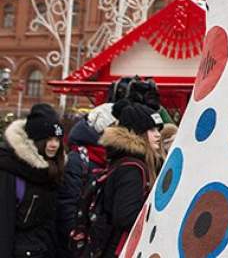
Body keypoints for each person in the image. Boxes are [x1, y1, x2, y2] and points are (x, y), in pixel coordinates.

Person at [95, 100, 164, 257]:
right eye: (152, 129)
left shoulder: (128, 161)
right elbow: (126, 217)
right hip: (123, 248)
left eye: (158, 129)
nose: (158, 134)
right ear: (137, 132)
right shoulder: (132, 168)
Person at [0, 103, 66, 257]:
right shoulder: (10, 170)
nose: (54, 145)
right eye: (48, 139)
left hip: (42, 249)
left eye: (57, 139)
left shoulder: (54, 169)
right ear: (34, 140)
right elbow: (4, 225)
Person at [57, 103, 116, 258]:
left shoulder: (110, 158)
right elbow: (67, 202)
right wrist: (77, 242)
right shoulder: (78, 159)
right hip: (77, 244)